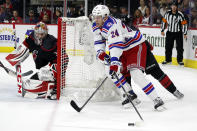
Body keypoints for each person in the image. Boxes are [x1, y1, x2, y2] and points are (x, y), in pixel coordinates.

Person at [92, 5, 165, 110]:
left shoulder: (112, 25)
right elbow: (98, 41)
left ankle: (157, 99)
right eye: (95, 16)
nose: (95, 19)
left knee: (135, 73)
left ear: (105, 17)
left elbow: (115, 46)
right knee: (109, 70)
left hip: (134, 45)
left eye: (98, 17)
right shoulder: (95, 25)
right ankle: (130, 94)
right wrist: (101, 54)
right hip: (123, 48)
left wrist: (114, 62)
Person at [6, 22, 69, 99]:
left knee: (49, 74)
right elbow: (23, 48)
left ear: (46, 33)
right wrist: (14, 58)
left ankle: (55, 88)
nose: (39, 36)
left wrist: (57, 72)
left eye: (42, 34)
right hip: (44, 63)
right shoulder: (32, 38)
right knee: (31, 83)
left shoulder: (51, 41)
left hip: (55, 63)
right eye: (38, 33)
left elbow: (64, 58)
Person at [161, 0, 188, 66]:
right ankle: (168, 60)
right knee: (168, 47)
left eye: (175, 6)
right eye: (173, 6)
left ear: (177, 7)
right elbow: (163, 21)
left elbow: (184, 24)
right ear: (171, 6)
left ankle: (180, 61)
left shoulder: (180, 14)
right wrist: (162, 30)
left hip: (178, 33)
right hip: (169, 32)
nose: (174, 7)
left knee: (179, 47)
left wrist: (185, 33)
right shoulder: (167, 13)